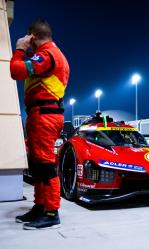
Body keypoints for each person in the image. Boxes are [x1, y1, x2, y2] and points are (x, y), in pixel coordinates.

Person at [10, 20, 69, 230]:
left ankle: (51, 212)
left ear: (32, 37)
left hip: (45, 114)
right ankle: (40, 206)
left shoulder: (47, 54)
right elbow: (31, 70)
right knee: (37, 165)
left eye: (28, 38)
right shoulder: (47, 54)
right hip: (40, 113)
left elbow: (16, 71)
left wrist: (19, 49)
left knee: (44, 165)